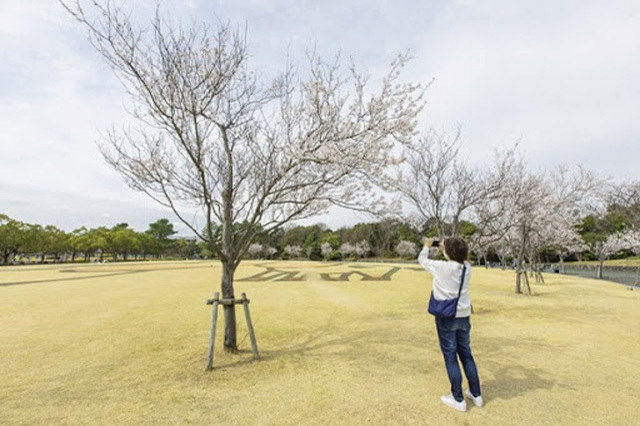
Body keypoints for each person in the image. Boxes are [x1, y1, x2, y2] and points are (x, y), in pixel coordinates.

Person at [418, 237, 483, 412]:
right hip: (463, 314)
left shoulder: (441, 267)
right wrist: (446, 247)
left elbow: (422, 260)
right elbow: (456, 256)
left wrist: (427, 246)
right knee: (466, 354)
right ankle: (476, 395)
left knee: (450, 356)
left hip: (446, 316)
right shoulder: (467, 267)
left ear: (448, 252)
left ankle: (458, 398)